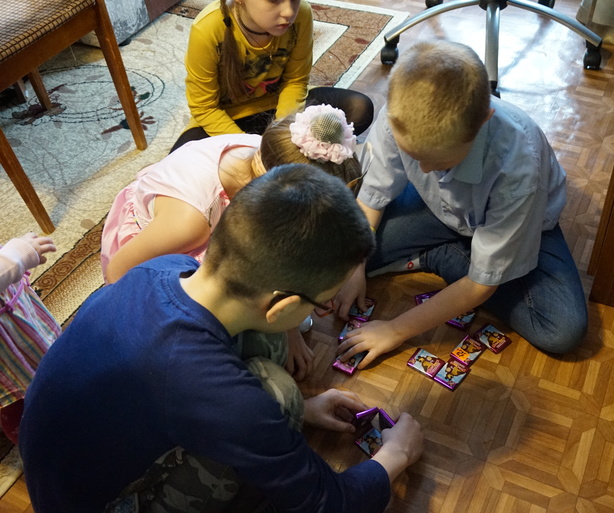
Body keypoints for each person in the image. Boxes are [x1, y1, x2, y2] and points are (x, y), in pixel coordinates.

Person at [20, 164, 424, 513]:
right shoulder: (221, 395)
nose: (325, 309)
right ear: (281, 307)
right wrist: (395, 456)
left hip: (66, 459)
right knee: (279, 392)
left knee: (269, 353)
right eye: (323, 302)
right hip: (101, 503)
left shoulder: (167, 266)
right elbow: (328, 503)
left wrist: (305, 409)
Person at [335, 41, 589, 370]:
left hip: (526, 223)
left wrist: (395, 330)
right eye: (414, 156)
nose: (424, 169)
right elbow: (372, 195)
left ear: (483, 121)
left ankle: (441, 256)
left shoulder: (518, 167)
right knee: (337, 257)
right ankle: (449, 255)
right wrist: (355, 265)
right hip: (433, 208)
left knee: (562, 330)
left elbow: (481, 286)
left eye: (440, 162)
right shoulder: (398, 112)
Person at [102, 104, 361, 378]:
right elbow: (117, 274)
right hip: (152, 266)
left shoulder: (272, 153)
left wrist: (291, 327)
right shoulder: (190, 223)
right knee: (258, 343)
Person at [170, 0, 374, 153]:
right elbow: (204, 107)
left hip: (281, 108)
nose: (289, 12)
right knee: (180, 162)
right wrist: (252, 146)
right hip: (228, 118)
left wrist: (285, 133)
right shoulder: (207, 29)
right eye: (274, 0)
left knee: (358, 108)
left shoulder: (302, 14)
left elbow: (295, 81)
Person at [0, 233, 60, 444]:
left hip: (12, 311)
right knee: (19, 405)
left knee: (50, 360)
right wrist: (15, 256)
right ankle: (39, 443)